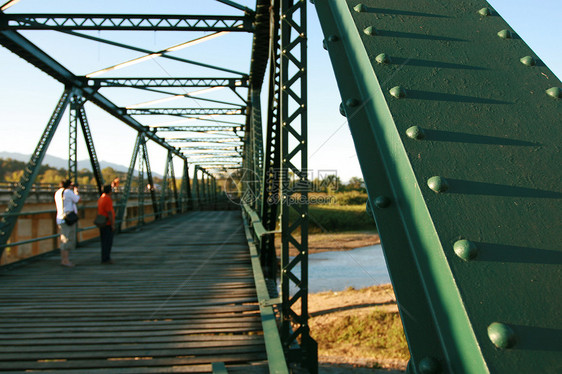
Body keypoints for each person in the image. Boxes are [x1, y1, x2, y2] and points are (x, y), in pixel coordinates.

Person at [54, 179, 80, 267]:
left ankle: (64, 259)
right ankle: (65, 261)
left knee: (63, 239)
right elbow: (77, 199)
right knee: (66, 240)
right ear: (69, 185)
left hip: (60, 218)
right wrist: (76, 191)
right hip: (68, 219)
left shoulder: (58, 192)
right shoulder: (68, 192)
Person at [97, 185, 116, 264]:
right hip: (107, 222)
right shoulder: (107, 199)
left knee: (103, 241)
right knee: (108, 242)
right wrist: (112, 224)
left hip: (102, 222)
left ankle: (104, 257)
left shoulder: (101, 198)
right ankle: (106, 258)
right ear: (109, 191)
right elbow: (109, 212)